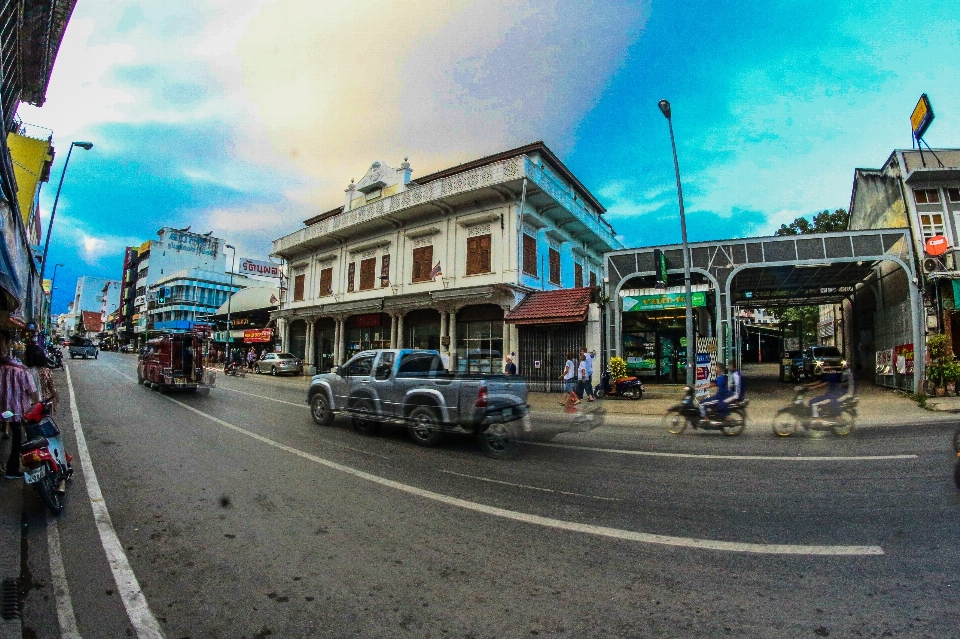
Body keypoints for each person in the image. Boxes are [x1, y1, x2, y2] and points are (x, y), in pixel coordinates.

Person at [0, 332, 39, 479]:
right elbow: (32, 391)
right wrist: (37, 405)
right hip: (13, 412)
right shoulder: (20, 369)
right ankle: (12, 469)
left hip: (3, 412)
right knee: (17, 438)